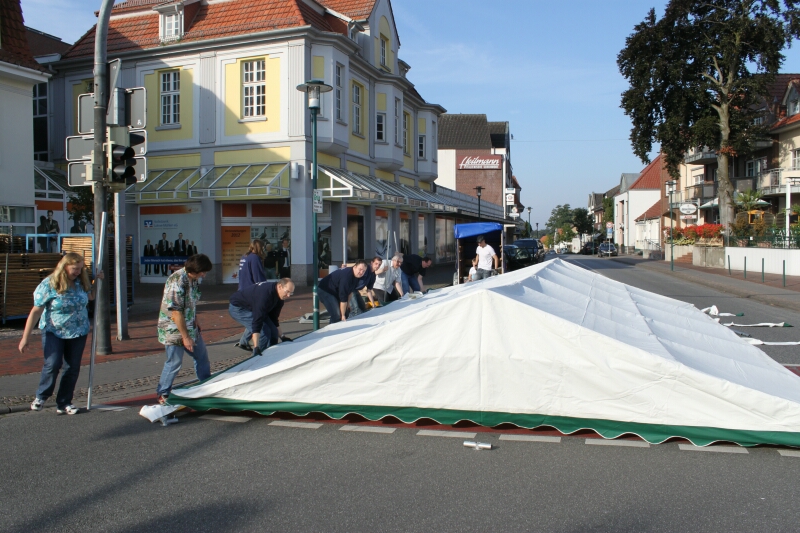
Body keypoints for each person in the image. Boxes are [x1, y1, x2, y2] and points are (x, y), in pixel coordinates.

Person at [19, 253, 103, 415]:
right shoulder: (50, 284)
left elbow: (91, 297)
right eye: (75, 269)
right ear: (64, 267)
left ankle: (64, 402)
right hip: (54, 330)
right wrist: (25, 338)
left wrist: (97, 281)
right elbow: (36, 311)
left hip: (78, 331)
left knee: (72, 367)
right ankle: (41, 396)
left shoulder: (81, 282)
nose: (78, 272)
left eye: (80, 269)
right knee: (53, 363)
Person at [155, 254, 213, 404]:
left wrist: (196, 320)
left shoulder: (193, 280)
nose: (204, 275)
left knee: (202, 357)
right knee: (174, 362)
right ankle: (163, 392)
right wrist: (185, 337)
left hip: (190, 326)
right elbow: (176, 312)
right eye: (202, 272)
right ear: (194, 270)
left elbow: (191, 303)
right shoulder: (177, 282)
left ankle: (206, 384)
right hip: (174, 330)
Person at [229, 278, 295, 354]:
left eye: (291, 293)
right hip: (238, 308)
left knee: (273, 331)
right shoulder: (265, 296)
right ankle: (257, 359)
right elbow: (257, 322)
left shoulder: (280, 298)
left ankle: (272, 356)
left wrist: (282, 337)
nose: (289, 295)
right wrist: (256, 347)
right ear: (280, 287)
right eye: (287, 292)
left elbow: (274, 319)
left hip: (253, 306)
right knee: (264, 332)